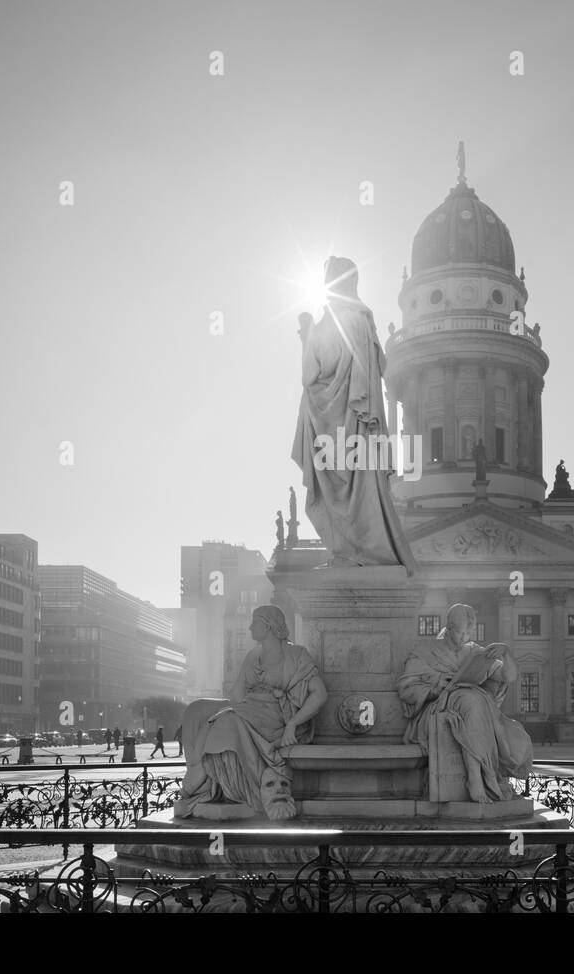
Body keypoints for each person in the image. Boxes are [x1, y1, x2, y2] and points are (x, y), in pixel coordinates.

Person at [290, 256, 416, 571]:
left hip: (331, 428)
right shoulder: (360, 320)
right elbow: (371, 373)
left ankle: (346, 549)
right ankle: (362, 548)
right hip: (357, 428)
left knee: (336, 491)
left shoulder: (329, 323)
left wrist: (307, 335)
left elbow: (310, 375)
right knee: (362, 493)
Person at [175, 605, 328, 820]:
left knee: (227, 722)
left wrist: (293, 723)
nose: (249, 628)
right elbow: (236, 697)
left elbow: (319, 695)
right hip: (249, 709)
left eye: (254, 623)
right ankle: (199, 775)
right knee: (197, 709)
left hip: (276, 716)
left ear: (268, 625)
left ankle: (204, 784)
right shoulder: (253, 656)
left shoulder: (296, 655)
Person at [397, 604, 532, 803]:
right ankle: (475, 777)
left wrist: (506, 652)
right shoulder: (426, 650)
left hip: (473, 704)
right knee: (472, 699)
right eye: (461, 633)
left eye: (469, 633)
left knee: (473, 698)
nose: (465, 638)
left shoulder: (475, 652)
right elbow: (406, 688)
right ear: (448, 628)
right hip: (436, 706)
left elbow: (508, 676)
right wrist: (436, 688)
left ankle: (480, 775)